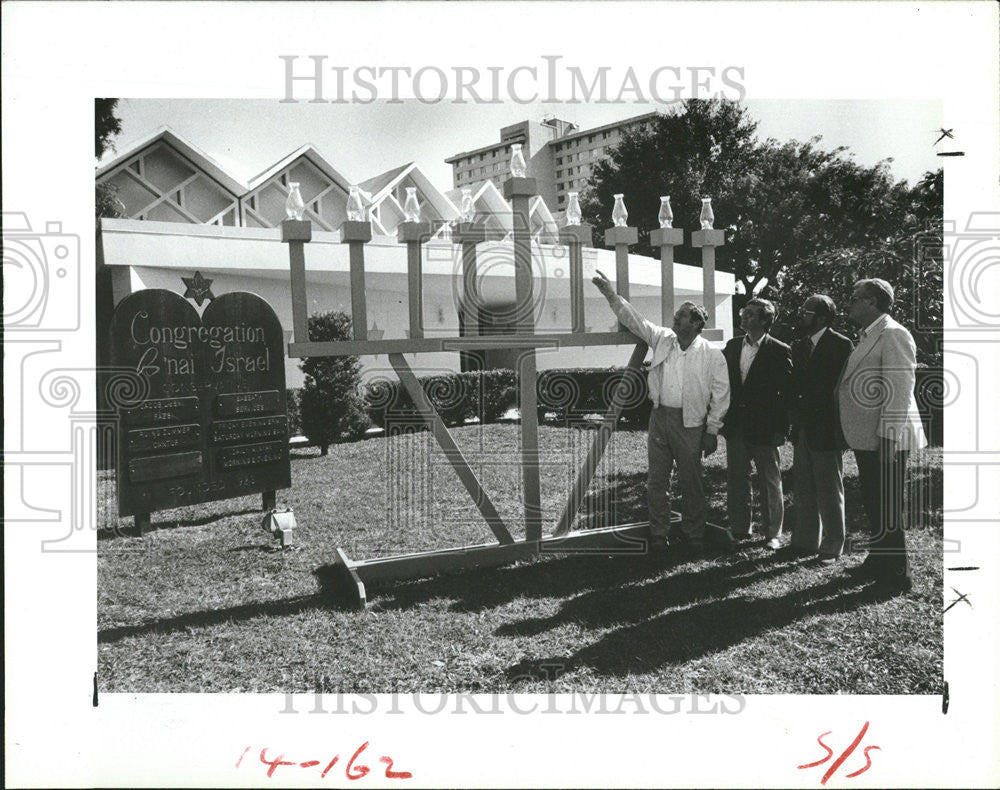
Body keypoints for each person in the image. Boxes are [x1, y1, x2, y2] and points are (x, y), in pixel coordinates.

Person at [592, 271, 729, 553]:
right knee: (657, 480)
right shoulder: (664, 339)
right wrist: (610, 294)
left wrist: (712, 430)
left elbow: (721, 394)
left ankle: (694, 534)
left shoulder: (712, 354)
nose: (675, 319)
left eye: (681, 316)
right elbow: (636, 320)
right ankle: (659, 533)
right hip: (660, 417)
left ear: (696, 324)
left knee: (692, 482)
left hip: (691, 423)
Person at [837, 278, 927, 593]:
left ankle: (896, 577)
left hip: (887, 439)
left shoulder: (894, 334)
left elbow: (899, 392)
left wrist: (888, 441)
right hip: (869, 437)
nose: (849, 302)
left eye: (855, 297)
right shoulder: (870, 334)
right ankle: (878, 561)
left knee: (887, 506)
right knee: (875, 502)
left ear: (873, 301)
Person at [721, 298, 792, 550]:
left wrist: (782, 430)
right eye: (744, 312)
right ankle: (740, 529)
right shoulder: (730, 347)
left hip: (765, 428)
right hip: (736, 426)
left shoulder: (780, 350)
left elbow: (786, 395)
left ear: (765, 320)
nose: (744, 317)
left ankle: (772, 534)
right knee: (737, 478)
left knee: (769, 480)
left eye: (751, 314)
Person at [788, 294, 854, 564]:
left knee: (829, 488)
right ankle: (805, 541)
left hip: (827, 428)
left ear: (823, 317)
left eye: (807, 311)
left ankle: (832, 546)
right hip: (803, 427)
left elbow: (845, 389)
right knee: (803, 487)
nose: (801, 315)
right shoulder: (800, 346)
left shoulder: (841, 345)